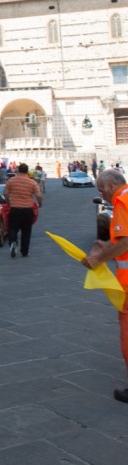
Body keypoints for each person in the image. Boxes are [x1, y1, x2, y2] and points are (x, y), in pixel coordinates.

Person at [82, 169, 128, 402]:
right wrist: (107, 244)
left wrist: (97, 258)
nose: (103, 195)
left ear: (110, 186)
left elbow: (126, 242)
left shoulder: (121, 200)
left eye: (101, 190)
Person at [4, 163, 42, 258]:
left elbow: (6, 193)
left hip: (15, 208)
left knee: (12, 228)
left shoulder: (11, 181)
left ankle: (13, 241)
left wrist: (8, 203)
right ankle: (24, 252)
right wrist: (40, 203)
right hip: (27, 209)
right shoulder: (32, 182)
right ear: (27, 171)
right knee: (26, 231)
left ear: (18, 170)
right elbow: (39, 195)